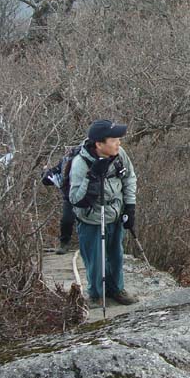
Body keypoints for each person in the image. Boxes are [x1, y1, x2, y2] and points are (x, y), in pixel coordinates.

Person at [68, 119, 138, 305]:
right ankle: (96, 294)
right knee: (95, 260)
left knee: (116, 254)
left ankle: (117, 290)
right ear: (99, 144)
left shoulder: (119, 154)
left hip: (115, 213)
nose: (119, 143)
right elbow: (76, 199)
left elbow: (129, 178)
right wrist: (93, 176)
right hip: (92, 218)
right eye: (114, 140)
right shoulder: (80, 164)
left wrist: (130, 207)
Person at [40, 155, 76, 255]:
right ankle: (64, 243)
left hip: (87, 196)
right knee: (66, 220)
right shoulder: (66, 160)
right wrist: (46, 175)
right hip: (69, 196)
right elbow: (56, 171)